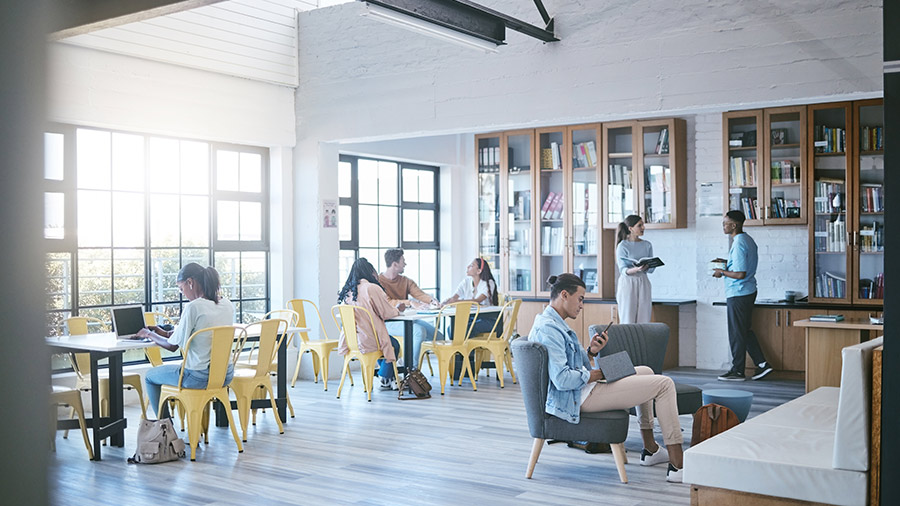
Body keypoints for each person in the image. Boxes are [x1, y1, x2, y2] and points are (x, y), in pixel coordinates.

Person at [528, 273, 685, 483]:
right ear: (564, 295)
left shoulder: (552, 323)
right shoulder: (549, 329)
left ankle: (651, 449)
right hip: (578, 398)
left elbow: (566, 365)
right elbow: (562, 379)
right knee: (664, 384)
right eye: (581, 298)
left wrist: (591, 352)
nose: (582, 305)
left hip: (581, 390)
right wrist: (600, 374)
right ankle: (677, 464)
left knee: (646, 370)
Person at [139, 263, 235, 417]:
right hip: (225, 374)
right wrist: (161, 332)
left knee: (150, 376)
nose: (182, 293)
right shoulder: (227, 304)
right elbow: (185, 335)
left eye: (181, 288)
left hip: (198, 377)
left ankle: (166, 429)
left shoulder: (194, 307)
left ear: (190, 282)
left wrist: (148, 334)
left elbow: (172, 347)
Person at [712, 210, 773, 381]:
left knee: (737, 333)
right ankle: (762, 364)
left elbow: (740, 273)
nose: (723, 226)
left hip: (738, 292)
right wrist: (725, 264)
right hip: (747, 291)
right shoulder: (747, 240)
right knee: (744, 331)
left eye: (725, 223)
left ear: (734, 225)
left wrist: (721, 272)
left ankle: (738, 371)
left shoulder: (738, 243)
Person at [337, 258, 405, 390]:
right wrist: (398, 309)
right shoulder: (371, 288)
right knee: (393, 344)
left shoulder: (348, 291)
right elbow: (386, 313)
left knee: (386, 345)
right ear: (369, 272)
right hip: (369, 338)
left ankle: (388, 376)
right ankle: (385, 377)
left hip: (352, 340)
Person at [379, 248, 444, 365]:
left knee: (439, 337)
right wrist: (410, 302)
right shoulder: (379, 282)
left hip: (406, 319)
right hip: (387, 322)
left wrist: (432, 300)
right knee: (419, 331)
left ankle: (404, 362)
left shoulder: (405, 281)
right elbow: (388, 302)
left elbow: (419, 294)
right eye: (403, 261)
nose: (405, 264)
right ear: (395, 264)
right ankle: (411, 369)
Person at [443, 257, 500, 336]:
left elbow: (477, 300)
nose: (467, 267)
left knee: (467, 328)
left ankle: (468, 348)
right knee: (451, 328)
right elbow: (454, 297)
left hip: (488, 320)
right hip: (472, 318)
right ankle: (459, 348)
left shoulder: (489, 283)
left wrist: (456, 302)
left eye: (471, 266)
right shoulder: (466, 282)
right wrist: (445, 302)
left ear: (479, 271)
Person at [615, 214, 655, 323]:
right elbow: (623, 270)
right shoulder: (622, 246)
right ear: (630, 228)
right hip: (628, 283)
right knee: (628, 318)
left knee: (644, 319)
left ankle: (642, 340)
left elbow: (651, 270)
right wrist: (636, 269)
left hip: (643, 282)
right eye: (640, 225)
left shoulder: (647, 245)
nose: (643, 228)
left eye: (643, 225)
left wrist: (647, 266)